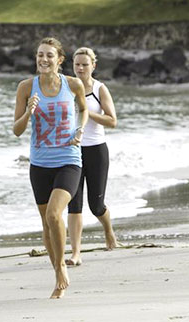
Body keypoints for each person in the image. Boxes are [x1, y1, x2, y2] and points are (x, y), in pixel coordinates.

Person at [12, 37, 88, 299]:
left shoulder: (73, 84)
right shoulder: (26, 88)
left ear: (59, 60)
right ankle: (57, 270)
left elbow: (84, 108)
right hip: (39, 163)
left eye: (49, 56)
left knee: (55, 214)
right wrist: (28, 113)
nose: (43, 60)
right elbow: (17, 130)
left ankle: (62, 266)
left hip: (68, 160)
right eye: (39, 55)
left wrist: (80, 128)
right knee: (46, 224)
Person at [66, 47, 119, 266]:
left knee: (95, 205)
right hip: (72, 151)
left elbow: (112, 121)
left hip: (96, 150)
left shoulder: (99, 89)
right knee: (73, 203)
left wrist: (86, 112)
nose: (80, 68)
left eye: (84, 64)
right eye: (77, 64)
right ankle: (76, 253)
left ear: (93, 66)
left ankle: (108, 231)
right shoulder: (65, 87)